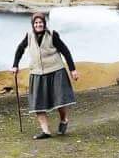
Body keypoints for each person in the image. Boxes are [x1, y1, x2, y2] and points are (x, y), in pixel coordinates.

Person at [11, 11, 79, 139]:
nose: (38, 25)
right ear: (33, 24)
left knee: (60, 100)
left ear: (44, 23)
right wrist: (15, 65)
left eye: (40, 22)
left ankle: (64, 119)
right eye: (36, 23)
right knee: (37, 104)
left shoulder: (52, 34)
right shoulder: (29, 35)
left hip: (55, 70)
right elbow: (20, 49)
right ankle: (46, 131)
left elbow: (65, 51)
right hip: (37, 72)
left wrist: (72, 69)